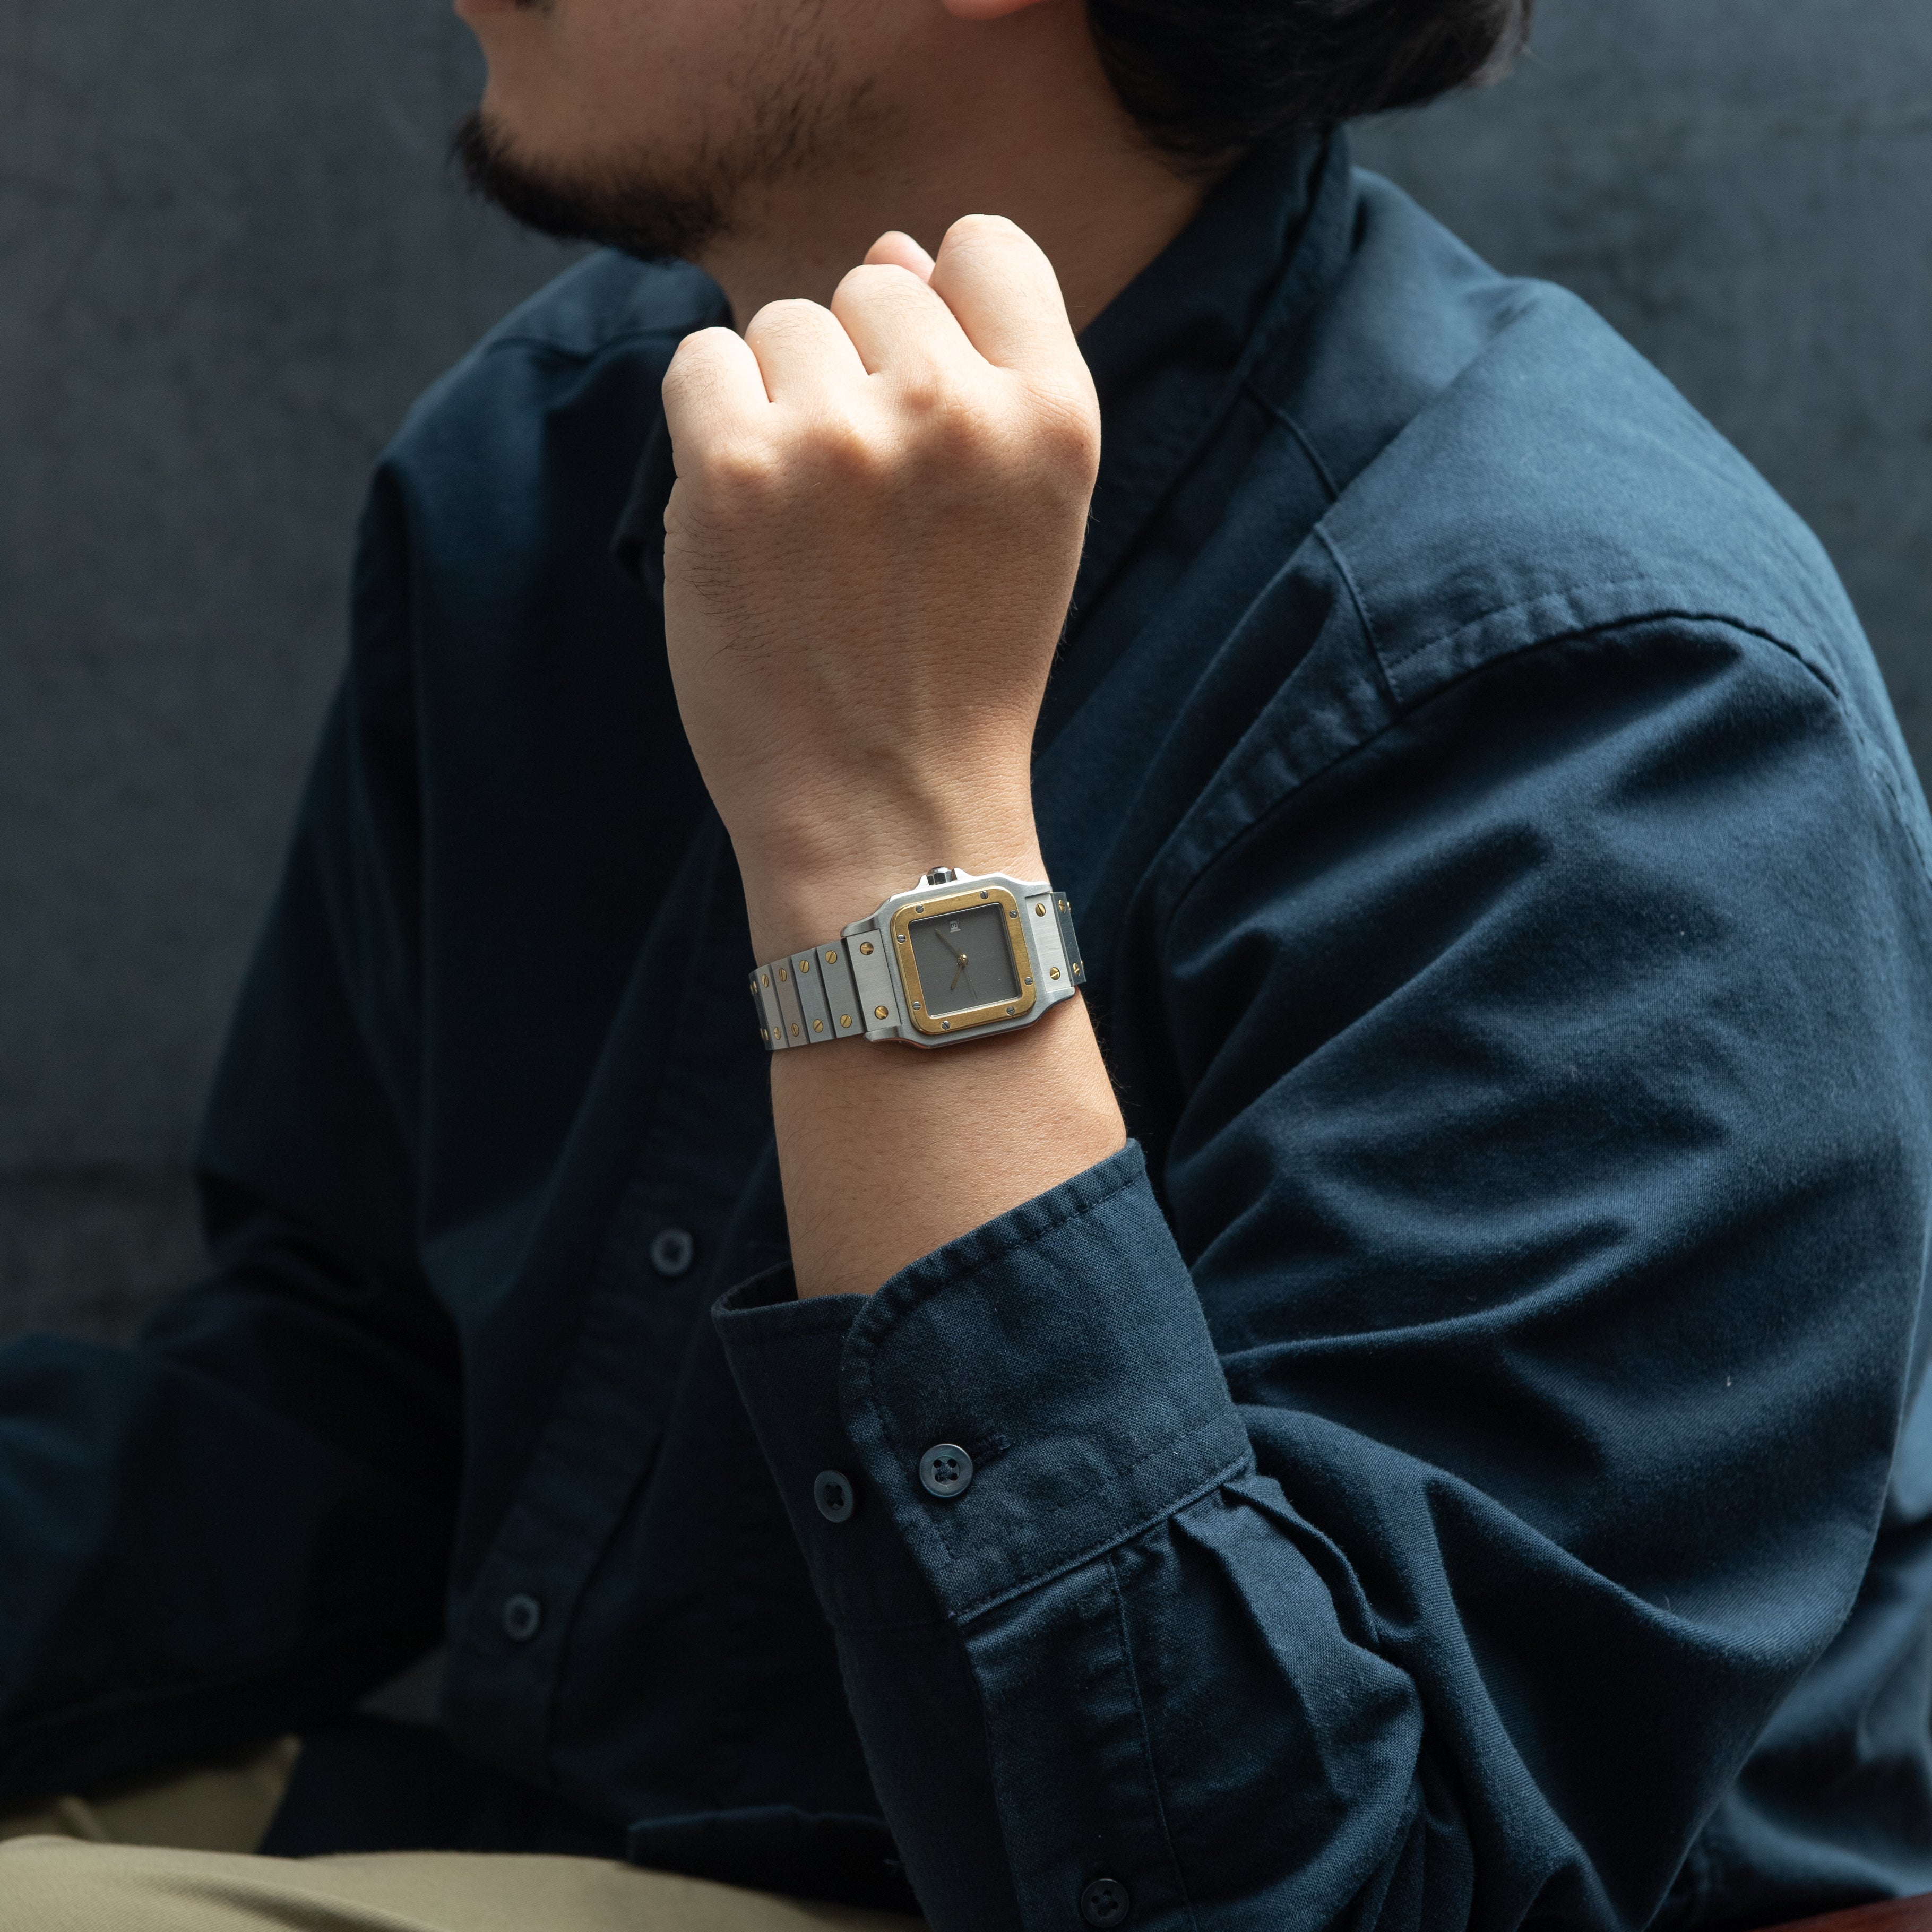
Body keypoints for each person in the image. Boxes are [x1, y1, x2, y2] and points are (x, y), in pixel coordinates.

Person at [4, 0, 1931, 1927]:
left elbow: (1333, 1881)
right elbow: (342, 1385)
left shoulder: (1598, 705)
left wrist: (888, 837)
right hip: (576, 1824)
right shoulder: (536, 456)